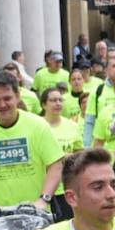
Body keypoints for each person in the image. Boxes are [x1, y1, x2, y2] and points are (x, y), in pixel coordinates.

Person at [0, 72, 62, 215]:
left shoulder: (38, 125)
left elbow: (55, 166)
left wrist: (44, 200)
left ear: (18, 96)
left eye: (7, 98)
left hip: (35, 213)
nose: (2, 105)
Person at [42, 89, 85, 218]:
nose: (58, 103)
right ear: (44, 105)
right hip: (43, 188)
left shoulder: (72, 126)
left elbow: (79, 153)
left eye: (60, 100)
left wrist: (69, 157)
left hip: (66, 186)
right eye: (53, 100)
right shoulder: (37, 126)